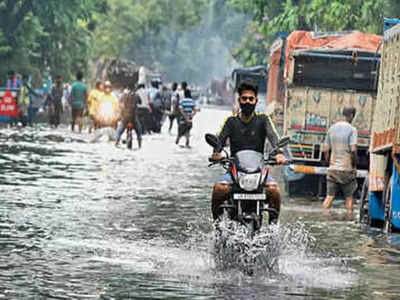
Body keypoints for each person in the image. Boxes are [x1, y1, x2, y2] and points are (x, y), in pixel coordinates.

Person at [210, 80, 285, 223]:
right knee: (219, 189)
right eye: (244, 99)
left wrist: (279, 153)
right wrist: (217, 153)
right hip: (234, 171)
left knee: (274, 190)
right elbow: (219, 141)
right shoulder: (231, 121)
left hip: (259, 172)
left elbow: (274, 137)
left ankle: (273, 228)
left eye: (251, 99)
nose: (248, 102)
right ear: (239, 100)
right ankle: (218, 227)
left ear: (256, 101)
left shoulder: (263, 120)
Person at [322, 105, 358, 215]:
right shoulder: (352, 130)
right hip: (346, 170)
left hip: (333, 169)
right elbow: (353, 150)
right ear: (351, 116)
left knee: (329, 197)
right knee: (349, 197)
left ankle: (323, 217)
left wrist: (329, 162)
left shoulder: (331, 128)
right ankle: (349, 218)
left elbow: (325, 149)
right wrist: (354, 166)